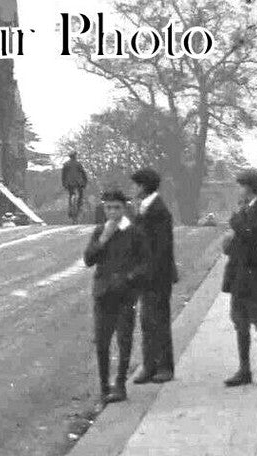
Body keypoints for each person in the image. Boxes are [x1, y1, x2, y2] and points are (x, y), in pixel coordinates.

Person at [84, 188, 149, 404]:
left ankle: (120, 384)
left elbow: (145, 263)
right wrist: (103, 239)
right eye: (108, 208)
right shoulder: (100, 231)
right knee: (102, 342)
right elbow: (88, 259)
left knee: (124, 340)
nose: (112, 212)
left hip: (125, 295)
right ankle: (104, 386)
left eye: (116, 208)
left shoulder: (134, 232)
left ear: (124, 208)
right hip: (103, 295)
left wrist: (129, 277)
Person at [221, 169, 257, 387]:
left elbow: (251, 234)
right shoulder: (242, 210)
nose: (238, 190)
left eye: (241, 186)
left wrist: (235, 221)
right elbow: (234, 243)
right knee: (240, 322)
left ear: (250, 188)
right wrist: (228, 241)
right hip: (239, 274)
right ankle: (244, 369)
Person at [130, 167, 177, 384]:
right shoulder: (145, 208)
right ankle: (149, 366)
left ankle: (164, 367)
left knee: (158, 321)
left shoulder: (158, 211)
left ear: (143, 186)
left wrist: (147, 273)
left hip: (157, 276)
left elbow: (161, 249)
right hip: (147, 276)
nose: (133, 188)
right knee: (147, 322)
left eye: (135, 184)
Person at [62, 152, 89, 220]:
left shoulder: (66, 164)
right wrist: (85, 182)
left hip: (69, 183)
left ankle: (70, 208)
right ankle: (79, 207)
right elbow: (83, 174)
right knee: (80, 195)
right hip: (78, 183)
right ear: (75, 156)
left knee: (71, 194)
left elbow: (63, 176)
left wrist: (64, 184)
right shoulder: (78, 164)